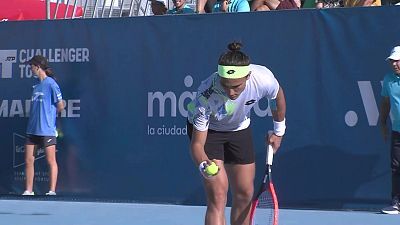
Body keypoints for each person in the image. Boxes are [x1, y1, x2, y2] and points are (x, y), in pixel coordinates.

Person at [186, 42, 286, 225]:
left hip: (239, 129)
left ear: (248, 76)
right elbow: (197, 145)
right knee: (218, 194)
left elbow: (276, 97)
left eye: (236, 86)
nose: (230, 92)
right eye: (225, 85)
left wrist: (279, 131)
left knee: (244, 193)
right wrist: (203, 164)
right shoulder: (205, 97)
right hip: (210, 134)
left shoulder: (263, 78)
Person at [22, 55, 65, 196]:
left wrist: (50, 115)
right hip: (32, 129)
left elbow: (60, 106)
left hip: (47, 130)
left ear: (38, 66)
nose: (31, 69)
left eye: (31, 66)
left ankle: (52, 191)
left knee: (50, 160)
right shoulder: (35, 86)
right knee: (28, 161)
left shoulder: (51, 84)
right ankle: (29, 190)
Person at [380, 46, 400, 214]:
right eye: (392, 61)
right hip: (397, 131)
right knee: (396, 167)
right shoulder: (388, 79)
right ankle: (396, 202)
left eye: (397, 60)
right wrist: (382, 123)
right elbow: (386, 103)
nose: (394, 64)